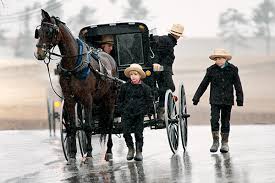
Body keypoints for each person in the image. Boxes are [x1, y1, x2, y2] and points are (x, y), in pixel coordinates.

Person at [192, 48, 244, 153]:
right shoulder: (211, 70)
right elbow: (203, 85)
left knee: (225, 121)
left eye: (220, 58)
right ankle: (215, 142)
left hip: (227, 100)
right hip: (215, 100)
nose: (218, 61)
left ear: (225, 59)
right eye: (216, 59)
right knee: (214, 119)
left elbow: (238, 85)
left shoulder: (233, 69)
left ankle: (225, 143)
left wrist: (240, 99)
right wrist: (196, 97)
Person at [118, 63, 153, 161]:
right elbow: (120, 100)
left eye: (135, 74)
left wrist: (144, 111)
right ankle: (130, 148)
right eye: (132, 74)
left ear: (140, 76)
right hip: (127, 113)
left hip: (139, 113)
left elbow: (149, 101)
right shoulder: (125, 87)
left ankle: (139, 151)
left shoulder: (145, 88)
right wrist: (122, 110)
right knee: (125, 132)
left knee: (138, 133)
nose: (133, 76)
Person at [152, 24, 184, 121]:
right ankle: (161, 108)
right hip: (162, 69)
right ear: (178, 35)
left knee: (166, 87)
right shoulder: (167, 41)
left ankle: (160, 105)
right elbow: (158, 53)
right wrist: (156, 63)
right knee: (169, 87)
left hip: (162, 68)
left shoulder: (167, 40)